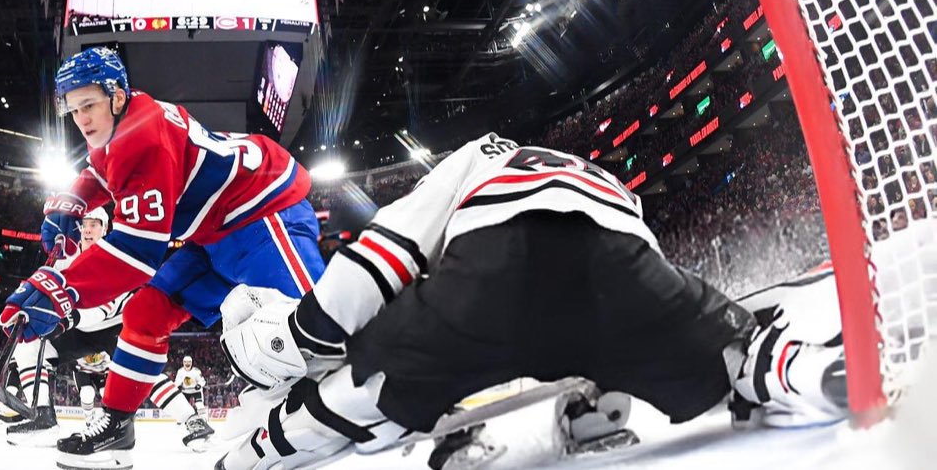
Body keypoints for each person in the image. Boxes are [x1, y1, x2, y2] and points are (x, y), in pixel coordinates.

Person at [214, 134, 850, 469]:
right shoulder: (611, 182)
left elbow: (390, 249)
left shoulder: (483, 153)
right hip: (619, 268)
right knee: (719, 351)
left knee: (364, 395)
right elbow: (647, 270)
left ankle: (265, 449)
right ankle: (780, 367)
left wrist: (314, 329)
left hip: (488, 275)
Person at [0, 46, 325, 469]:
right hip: (213, 231)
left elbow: (137, 253)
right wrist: (74, 200)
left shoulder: (144, 138)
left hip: (263, 211)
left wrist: (62, 288)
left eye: (89, 105)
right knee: (145, 313)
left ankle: (348, 418)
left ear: (117, 96)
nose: (81, 119)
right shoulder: (119, 127)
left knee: (319, 334)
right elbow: (100, 171)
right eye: (74, 109)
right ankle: (116, 429)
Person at [5, 208, 211, 450]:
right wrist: (29, 307)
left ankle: (192, 420)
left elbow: (103, 307)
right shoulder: (64, 258)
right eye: (84, 224)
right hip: (78, 328)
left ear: (105, 229)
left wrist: (66, 319)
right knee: (28, 345)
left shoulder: (116, 255)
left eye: (94, 224)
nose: (88, 229)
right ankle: (43, 418)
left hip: (115, 325)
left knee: (142, 371)